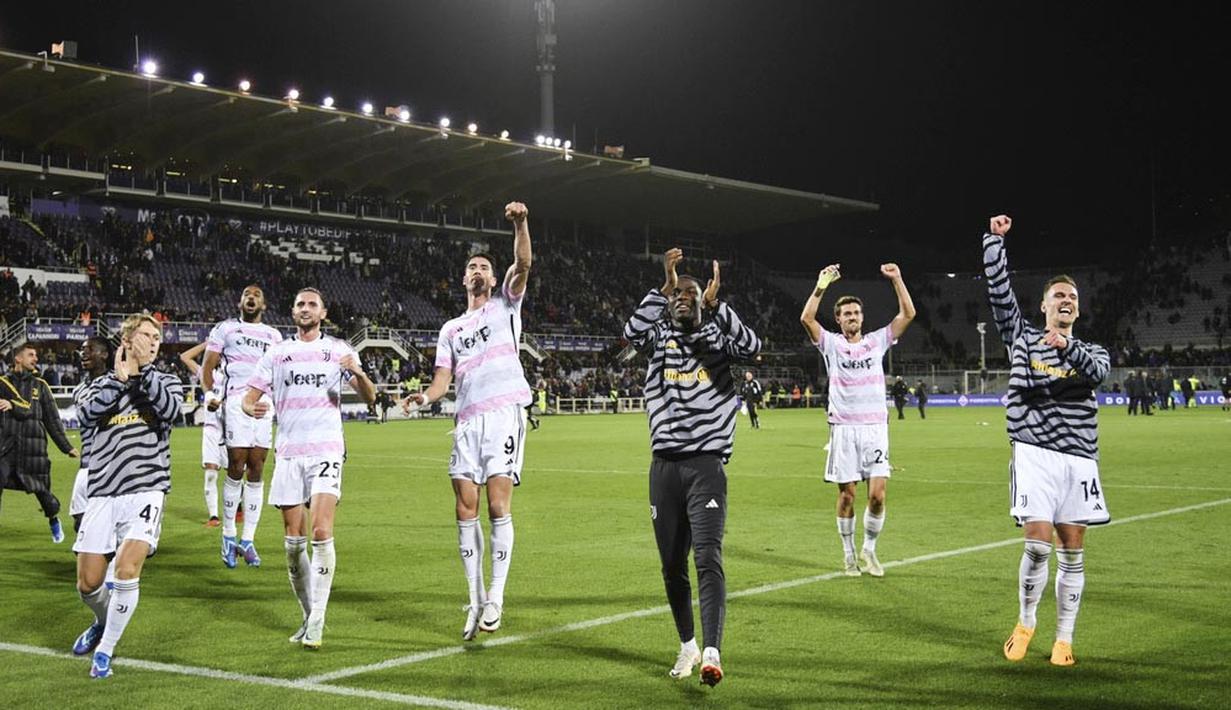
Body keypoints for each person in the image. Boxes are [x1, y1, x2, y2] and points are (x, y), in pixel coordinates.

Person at [624, 248, 761, 687]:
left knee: (707, 555)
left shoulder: (718, 336)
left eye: (690, 292)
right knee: (671, 565)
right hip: (664, 466)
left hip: (705, 464)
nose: (682, 297)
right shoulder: (657, 336)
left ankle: (713, 651)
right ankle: (688, 645)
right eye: (676, 294)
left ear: (702, 300)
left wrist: (719, 306)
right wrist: (663, 284)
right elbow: (630, 332)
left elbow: (752, 347)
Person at [401, 201, 533, 642]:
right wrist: (425, 397)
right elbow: (443, 380)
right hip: (468, 421)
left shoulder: (506, 304)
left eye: (484, 268)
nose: (477, 271)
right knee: (464, 508)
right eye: (471, 267)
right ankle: (475, 600)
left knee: (497, 506)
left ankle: (496, 596)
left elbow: (524, 262)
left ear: (494, 280)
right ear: (463, 279)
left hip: (504, 414)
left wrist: (520, 224)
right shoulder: (450, 329)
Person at [983, 215, 1110, 668]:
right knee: (1037, 545)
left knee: (1072, 550)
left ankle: (1064, 639)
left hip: (1078, 458)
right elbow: (1000, 294)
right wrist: (994, 242)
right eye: (1058, 295)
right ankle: (1026, 622)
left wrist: (1067, 347)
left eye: (1072, 297)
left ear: (1078, 309)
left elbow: (1098, 373)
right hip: (1034, 453)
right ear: (1043, 306)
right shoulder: (1023, 338)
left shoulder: (1092, 351)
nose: (1066, 300)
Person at [243, 287, 375, 649]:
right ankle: (307, 615)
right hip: (289, 454)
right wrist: (249, 408)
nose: (305, 308)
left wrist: (358, 373)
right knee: (292, 545)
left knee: (320, 531)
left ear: (323, 313)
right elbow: (249, 397)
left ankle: (317, 620)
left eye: (312, 304)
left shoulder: (339, 350)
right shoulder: (277, 353)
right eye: (300, 303)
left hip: (326, 450)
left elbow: (370, 396)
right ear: (292, 311)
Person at [72, 313, 182, 679]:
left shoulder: (165, 380)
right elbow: (86, 416)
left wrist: (142, 374)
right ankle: (103, 621)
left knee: (126, 569)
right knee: (88, 583)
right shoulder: (98, 384)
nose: (153, 342)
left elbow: (171, 411)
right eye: (146, 335)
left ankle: (105, 651)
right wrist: (119, 381)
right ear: (128, 339)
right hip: (103, 491)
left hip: (147, 489)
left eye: (157, 337)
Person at [800, 261, 915, 578]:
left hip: (875, 428)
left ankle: (870, 550)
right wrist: (821, 286)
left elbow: (908, 314)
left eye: (856, 313)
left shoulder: (877, 341)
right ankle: (849, 554)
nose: (852, 317)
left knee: (877, 496)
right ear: (838, 319)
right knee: (847, 495)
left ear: (862, 318)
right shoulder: (831, 344)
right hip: (844, 428)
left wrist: (897, 279)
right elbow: (807, 318)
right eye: (847, 313)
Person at [202, 285, 284, 568]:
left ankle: (247, 540)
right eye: (247, 294)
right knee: (236, 465)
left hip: (263, 403)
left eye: (257, 295)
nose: (251, 297)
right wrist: (210, 395)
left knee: (257, 468)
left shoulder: (274, 336)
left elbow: (278, 374)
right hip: (236, 401)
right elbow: (207, 367)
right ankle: (228, 535)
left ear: (264, 305)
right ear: (240, 302)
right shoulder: (225, 329)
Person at [0, 344, 79, 541]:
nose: (35, 358)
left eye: (36, 355)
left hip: (33, 449)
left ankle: (53, 519)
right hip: (7, 448)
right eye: (31, 355)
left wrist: (67, 447)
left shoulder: (41, 386)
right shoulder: (3, 384)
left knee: (42, 491)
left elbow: (52, 420)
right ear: (18, 359)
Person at [180, 342, 228, 527]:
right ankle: (214, 516)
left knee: (235, 473)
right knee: (210, 472)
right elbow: (185, 356)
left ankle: (238, 506)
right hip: (211, 429)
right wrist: (208, 343)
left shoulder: (234, 376)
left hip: (230, 428)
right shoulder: (205, 374)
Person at [69, 338, 112, 533]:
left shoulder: (116, 382)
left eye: (90, 349)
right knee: (80, 518)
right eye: (82, 350)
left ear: (104, 355)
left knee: (109, 518)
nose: (83, 353)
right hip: (87, 462)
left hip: (112, 462)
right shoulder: (78, 390)